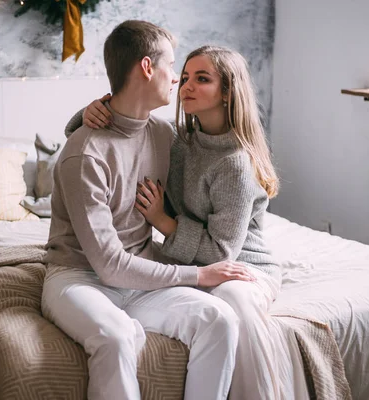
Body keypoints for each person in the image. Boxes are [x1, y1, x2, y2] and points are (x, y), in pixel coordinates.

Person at [41, 21, 258, 400]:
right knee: (116, 336)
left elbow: (214, 159)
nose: (176, 80)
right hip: (80, 278)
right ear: (146, 67)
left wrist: (94, 108)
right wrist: (198, 274)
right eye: (173, 67)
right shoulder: (84, 154)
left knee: (220, 320)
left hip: (141, 278)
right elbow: (108, 264)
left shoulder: (163, 136)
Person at [81, 45, 286, 400]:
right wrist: (90, 111)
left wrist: (162, 220)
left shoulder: (235, 164)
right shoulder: (178, 141)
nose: (186, 85)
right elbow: (128, 120)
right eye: (186, 77)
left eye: (202, 79)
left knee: (231, 301)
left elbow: (221, 252)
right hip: (193, 262)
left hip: (243, 267)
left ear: (227, 92)